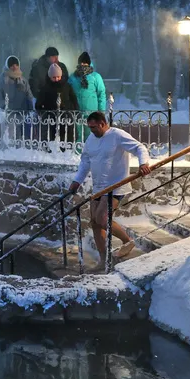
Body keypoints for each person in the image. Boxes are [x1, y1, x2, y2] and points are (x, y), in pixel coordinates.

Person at [68, 111, 152, 270]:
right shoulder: (91, 139)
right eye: (89, 128)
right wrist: (77, 181)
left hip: (116, 185)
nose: (92, 130)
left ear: (102, 123)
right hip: (98, 186)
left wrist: (143, 163)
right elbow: (85, 162)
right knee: (94, 223)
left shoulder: (117, 135)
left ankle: (128, 241)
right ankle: (104, 260)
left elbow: (139, 147)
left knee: (102, 218)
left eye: (94, 127)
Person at [35, 62, 79, 145]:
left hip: (66, 119)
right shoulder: (45, 88)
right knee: (52, 143)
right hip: (51, 120)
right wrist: (45, 113)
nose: (56, 79)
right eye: (54, 77)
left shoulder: (67, 86)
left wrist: (72, 111)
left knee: (67, 143)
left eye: (58, 77)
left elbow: (74, 101)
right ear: (50, 77)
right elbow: (39, 105)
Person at [0, 56, 34, 143]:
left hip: (22, 112)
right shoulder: (2, 80)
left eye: (16, 65)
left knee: (21, 135)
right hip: (8, 113)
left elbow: (28, 94)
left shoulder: (23, 80)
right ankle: (7, 152)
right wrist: (5, 105)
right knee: (9, 135)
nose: (14, 67)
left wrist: (30, 106)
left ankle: (19, 151)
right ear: (8, 66)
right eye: (11, 65)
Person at [68, 52, 106, 142]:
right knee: (78, 136)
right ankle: (78, 153)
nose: (82, 64)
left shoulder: (95, 77)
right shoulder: (73, 77)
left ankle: (91, 152)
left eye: (84, 62)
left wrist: (101, 112)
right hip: (77, 112)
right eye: (81, 62)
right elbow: (68, 93)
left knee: (91, 136)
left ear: (88, 63)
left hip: (92, 112)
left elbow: (101, 94)